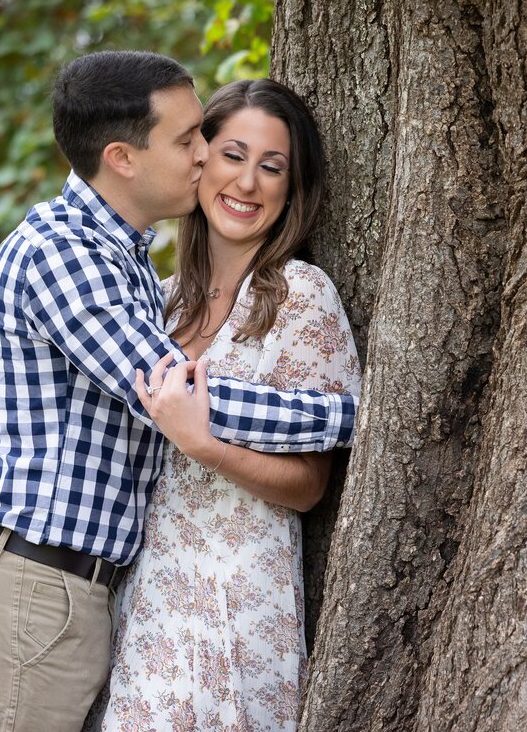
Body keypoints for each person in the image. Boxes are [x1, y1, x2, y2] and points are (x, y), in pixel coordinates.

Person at [0, 52, 358, 732]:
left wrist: (210, 440)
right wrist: (353, 419)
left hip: (160, 601)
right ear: (125, 158)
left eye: (269, 165)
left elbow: (291, 477)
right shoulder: (74, 259)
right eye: (198, 143)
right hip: (34, 584)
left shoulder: (140, 270)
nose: (208, 159)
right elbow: (173, 393)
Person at [95, 79, 360, 730]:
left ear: (291, 190)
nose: (247, 183)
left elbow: (308, 486)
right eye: (233, 155)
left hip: (239, 603)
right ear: (198, 159)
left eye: (272, 168)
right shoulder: (155, 304)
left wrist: (204, 444)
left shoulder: (299, 296)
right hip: (146, 596)